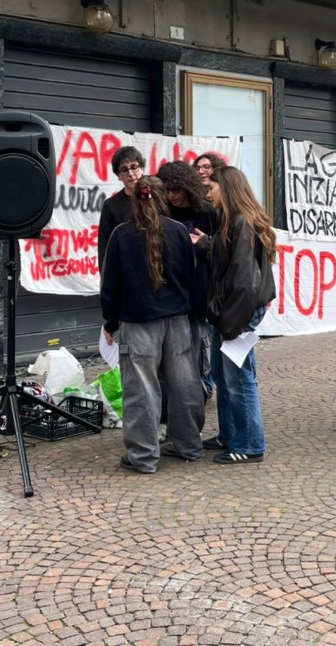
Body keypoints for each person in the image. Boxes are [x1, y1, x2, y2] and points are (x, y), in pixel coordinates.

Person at [99, 177, 203, 473]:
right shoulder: (179, 231)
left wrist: (110, 321)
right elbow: (191, 273)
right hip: (178, 320)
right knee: (184, 384)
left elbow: (111, 284)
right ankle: (188, 445)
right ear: (164, 200)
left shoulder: (122, 235)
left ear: (136, 201)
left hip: (138, 321)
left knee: (141, 389)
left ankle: (143, 456)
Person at [193, 165, 276, 465]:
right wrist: (206, 244)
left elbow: (243, 280)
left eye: (211, 187)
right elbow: (231, 261)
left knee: (239, 380)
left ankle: (250, 445)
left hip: (236, 315)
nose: (207, 192)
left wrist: (232, 324)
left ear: (225, 188)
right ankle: (230, 435)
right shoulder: (235, 221)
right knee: (224, 376)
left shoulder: (241, 222)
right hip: (230, 314)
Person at [157, 160, 219, 404]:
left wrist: (204, 244)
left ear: (188, 187)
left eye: (176, 190)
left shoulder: (206, 212)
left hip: (198, 291)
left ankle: (202, 389)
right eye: (167, 190)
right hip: (172, 291)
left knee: (199, 347)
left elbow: (222, 252)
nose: (172, 195)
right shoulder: (165, 212)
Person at [98, 145, 145, 270]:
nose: (130, 173)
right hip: (125, 269)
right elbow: (104, 247)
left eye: (134, 167)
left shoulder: (155, 198)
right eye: (124, 170)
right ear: (119, 175)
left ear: (142, 169)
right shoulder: (111, 205)